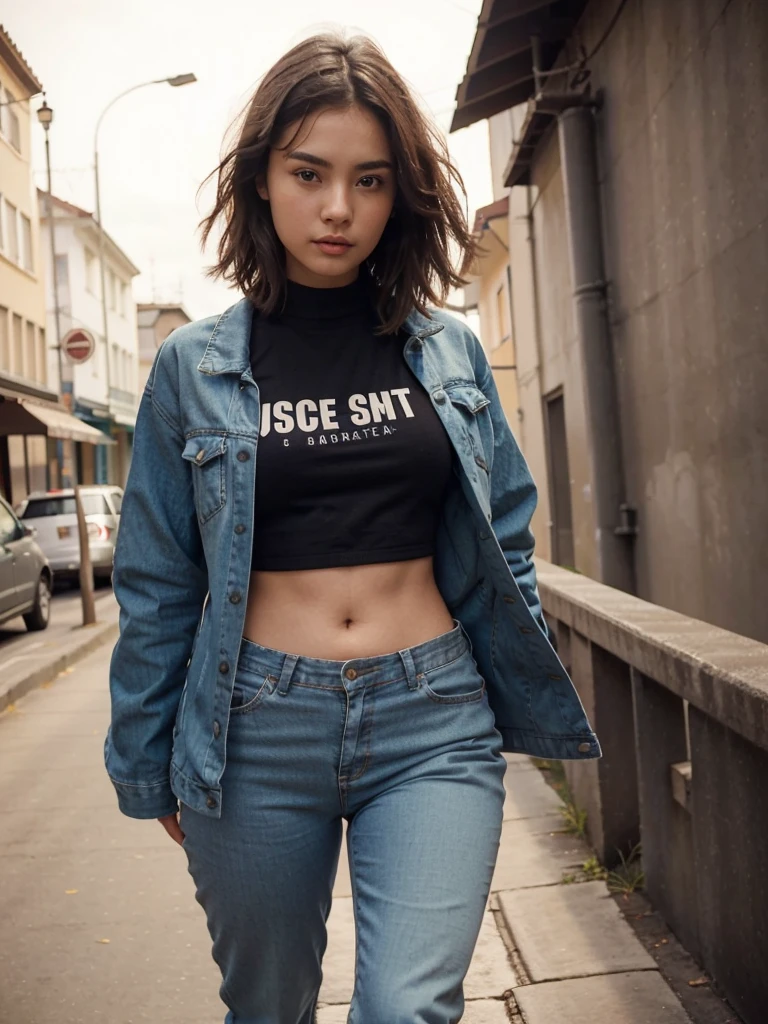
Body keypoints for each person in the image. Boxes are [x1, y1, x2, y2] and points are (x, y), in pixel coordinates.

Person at [105, 31, 600, 1024]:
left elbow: (506, 532)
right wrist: (148, 750)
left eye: (370, 181)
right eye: (309, 173)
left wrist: (516, 660)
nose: (339, 208)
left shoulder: (449, 352)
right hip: (254, 728)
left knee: (407, 1006)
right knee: (269, 1004)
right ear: (260, 181)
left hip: (432, 716)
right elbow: (158, 579)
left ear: (399, 195)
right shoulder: (190, 369)